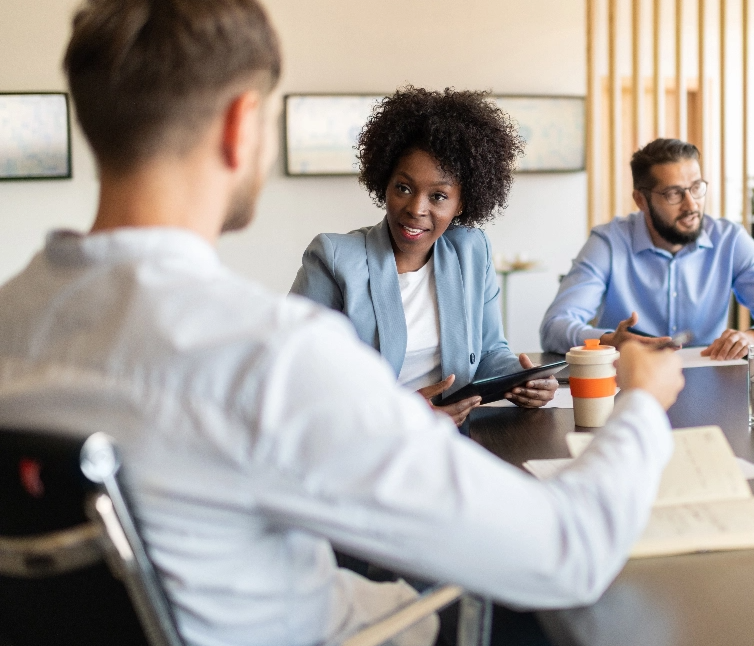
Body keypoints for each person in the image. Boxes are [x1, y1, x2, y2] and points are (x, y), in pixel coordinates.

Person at [0, 2, 685, 646]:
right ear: (243, 125)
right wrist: (644, 405)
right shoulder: (270, 356)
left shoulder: (11, 318)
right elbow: (568, 553)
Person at [291, 88, 556, 426]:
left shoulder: (472, 251)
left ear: (462, 203)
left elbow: (490, 353)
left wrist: (523, 379)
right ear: (384, 183)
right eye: (403, 187)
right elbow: (297, 375)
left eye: (438, 196)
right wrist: (403, 411)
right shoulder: (333, 259)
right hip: (364, 443)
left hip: (456, 441)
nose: (416, 209)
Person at [540, 138, 754, 359]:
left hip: (709, 381)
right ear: (641, 200)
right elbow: (554, 326)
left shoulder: (730, 239)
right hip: (629, 381)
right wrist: (608, 341)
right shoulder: (609, 242)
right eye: (673, 194)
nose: (691, 205)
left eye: (696, 188)